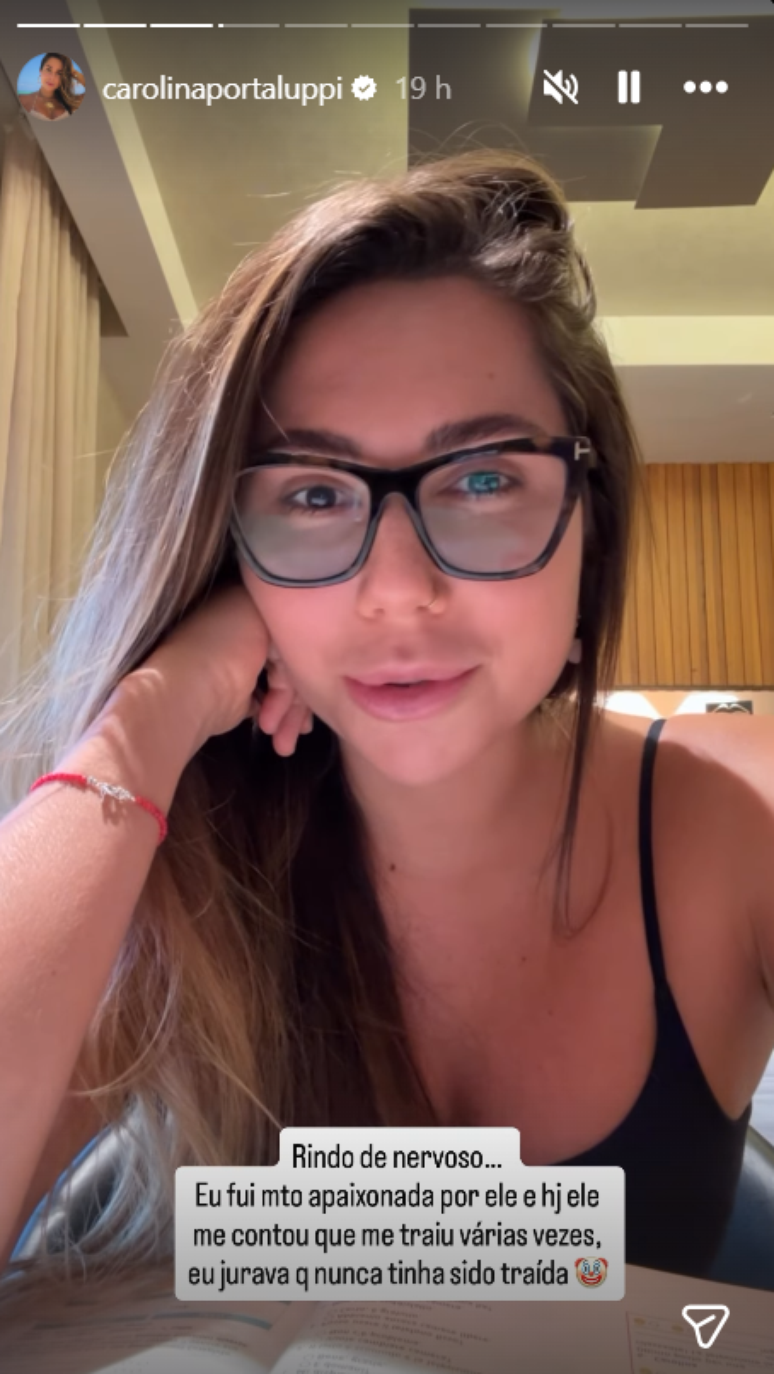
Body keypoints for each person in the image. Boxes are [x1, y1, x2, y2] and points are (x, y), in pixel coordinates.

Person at [1, 150, 773, 1308]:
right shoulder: (181, 870)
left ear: (591, 520)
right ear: (229, 547)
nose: (400, 593)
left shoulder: (738, 815)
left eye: (482, 480)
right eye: (313, 494)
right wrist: (150, 715)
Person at [18, 53, 82, 122]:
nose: (52, 78)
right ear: (40, 71)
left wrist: (73, 71)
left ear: (64, 78)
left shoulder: (71, 101)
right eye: (48, 70)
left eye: (59, 73)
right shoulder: (23, 99)